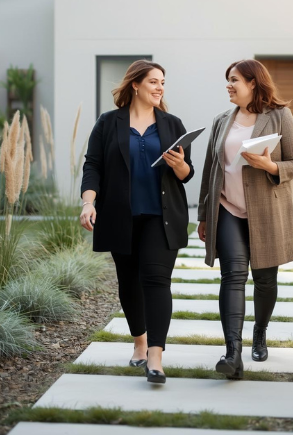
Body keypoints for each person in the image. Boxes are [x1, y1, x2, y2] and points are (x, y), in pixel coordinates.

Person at [80, 60, 194, 384]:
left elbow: (187, 175)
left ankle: (155, 358)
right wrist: (89, 202)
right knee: (129, 283)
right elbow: (93, 166)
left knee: (156, 281)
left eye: (162, 83)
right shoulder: (108, 123)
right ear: (135, 85)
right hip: (120, 216)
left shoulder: (172, 124)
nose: (160, 88)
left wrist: (179, 165)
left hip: (163, 217)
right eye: (154, 82)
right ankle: (140, 342)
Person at [198, 59, 293, 379]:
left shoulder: (279, 116)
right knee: (232, 276)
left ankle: (260, 331)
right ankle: (233, 352)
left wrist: (269, 166)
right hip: (227, 209)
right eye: (227, 81)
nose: (229, 86)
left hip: (266, 213)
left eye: (234, 80)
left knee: (264, 280)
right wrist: (205, 214)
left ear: (253, 83)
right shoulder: (222, 121)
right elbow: (210, 170)